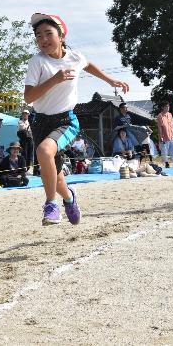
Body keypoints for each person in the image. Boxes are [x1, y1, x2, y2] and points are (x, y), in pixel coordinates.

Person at [24, 13, 129, 225]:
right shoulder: (37, 62)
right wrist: (54, 80)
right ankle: (69, 198)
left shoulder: (74, 57)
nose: (43, 40)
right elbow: (29, 97)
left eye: (48, 34)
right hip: (40, 122)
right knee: (57, 178)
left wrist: (110, 80)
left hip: (65, 121)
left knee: (44, 151)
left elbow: (87, 64)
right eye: (38, 36)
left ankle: (51, 205)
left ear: (61, 35)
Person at [156, 102, 173, 168]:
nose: (168, 108)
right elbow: (159, 128)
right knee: (164, 151)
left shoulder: (170, 115)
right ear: (162, 107)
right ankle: (166, 164)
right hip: (164, 137)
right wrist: (160, 137)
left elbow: (172, 125)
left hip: (171, 136)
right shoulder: (160, 116)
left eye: (168, 106)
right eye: (166, 106)